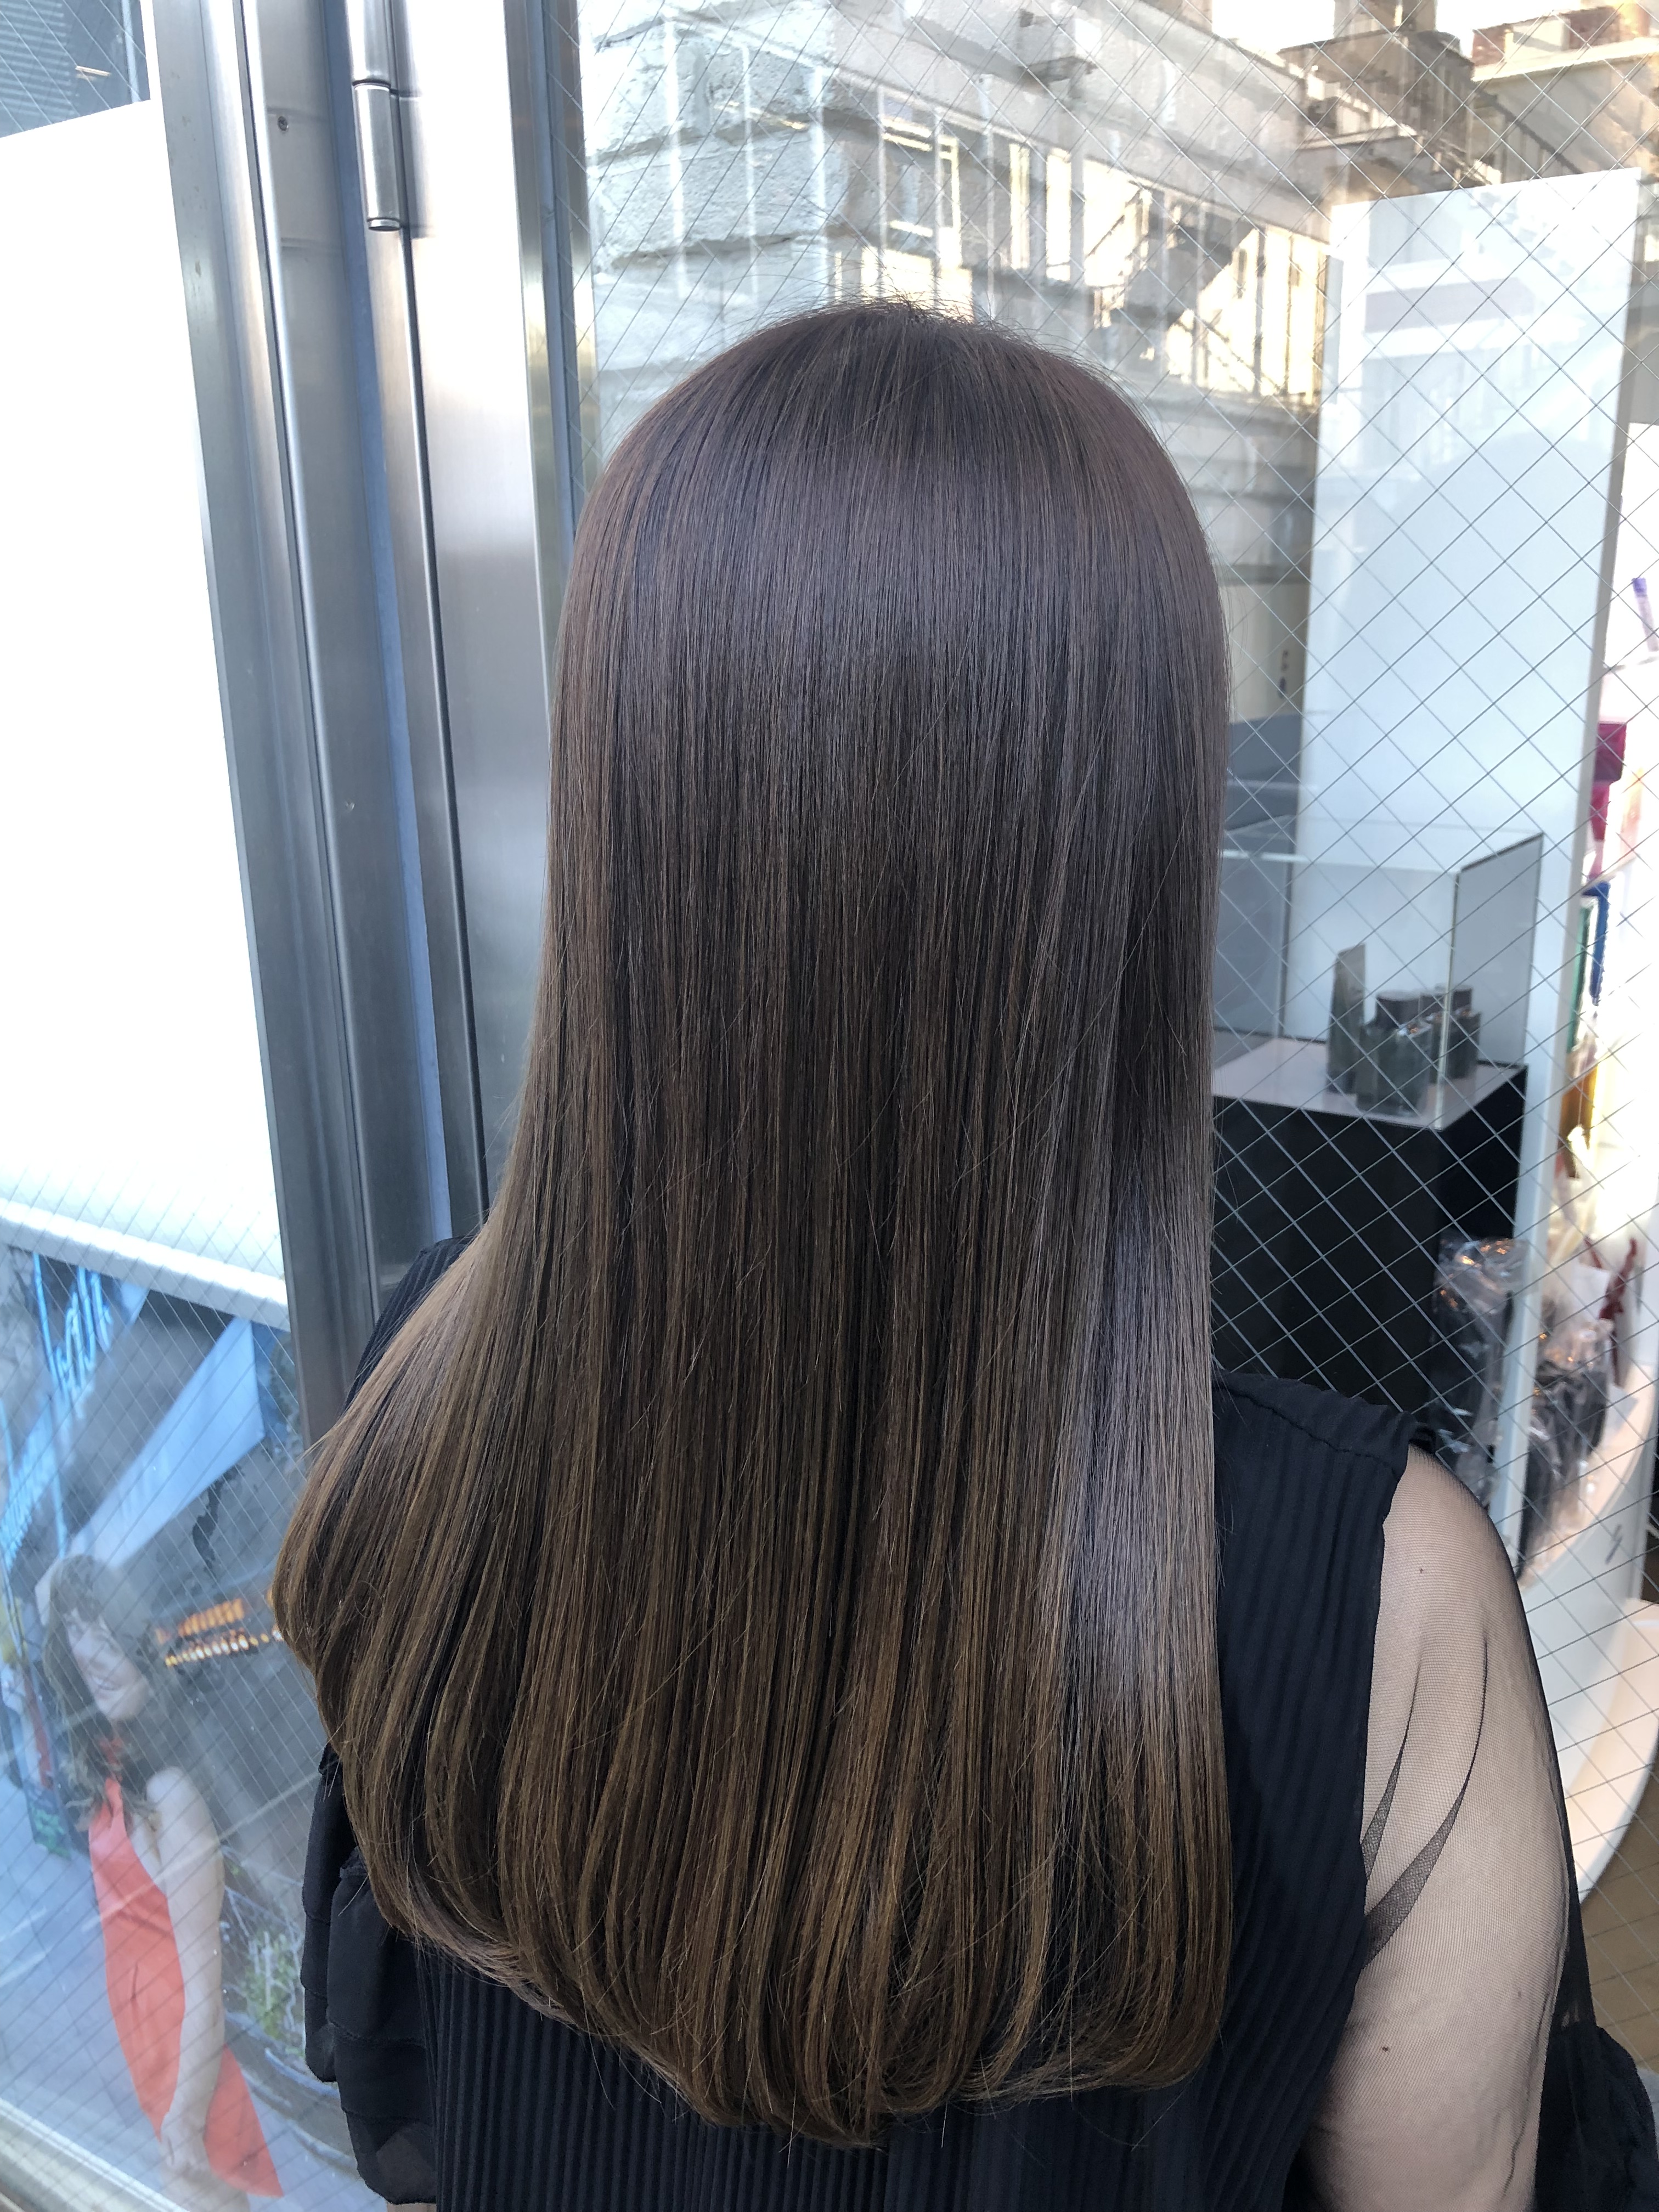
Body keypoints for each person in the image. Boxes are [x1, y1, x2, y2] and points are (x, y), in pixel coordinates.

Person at [275, 303, 1659, 2209]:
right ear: (1135, 863)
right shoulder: (1381, 1606)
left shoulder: (419, 1389)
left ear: (623, 808)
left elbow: (401, 2083)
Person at [42, 1556, 281, 2211]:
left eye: (106, 1633)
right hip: (149, 2042)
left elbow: (206, 1985)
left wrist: (185, 2112)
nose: (92, 1653)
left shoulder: (169, 1794)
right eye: (77, 1633)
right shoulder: (116, 1766)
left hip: (187, 2058)